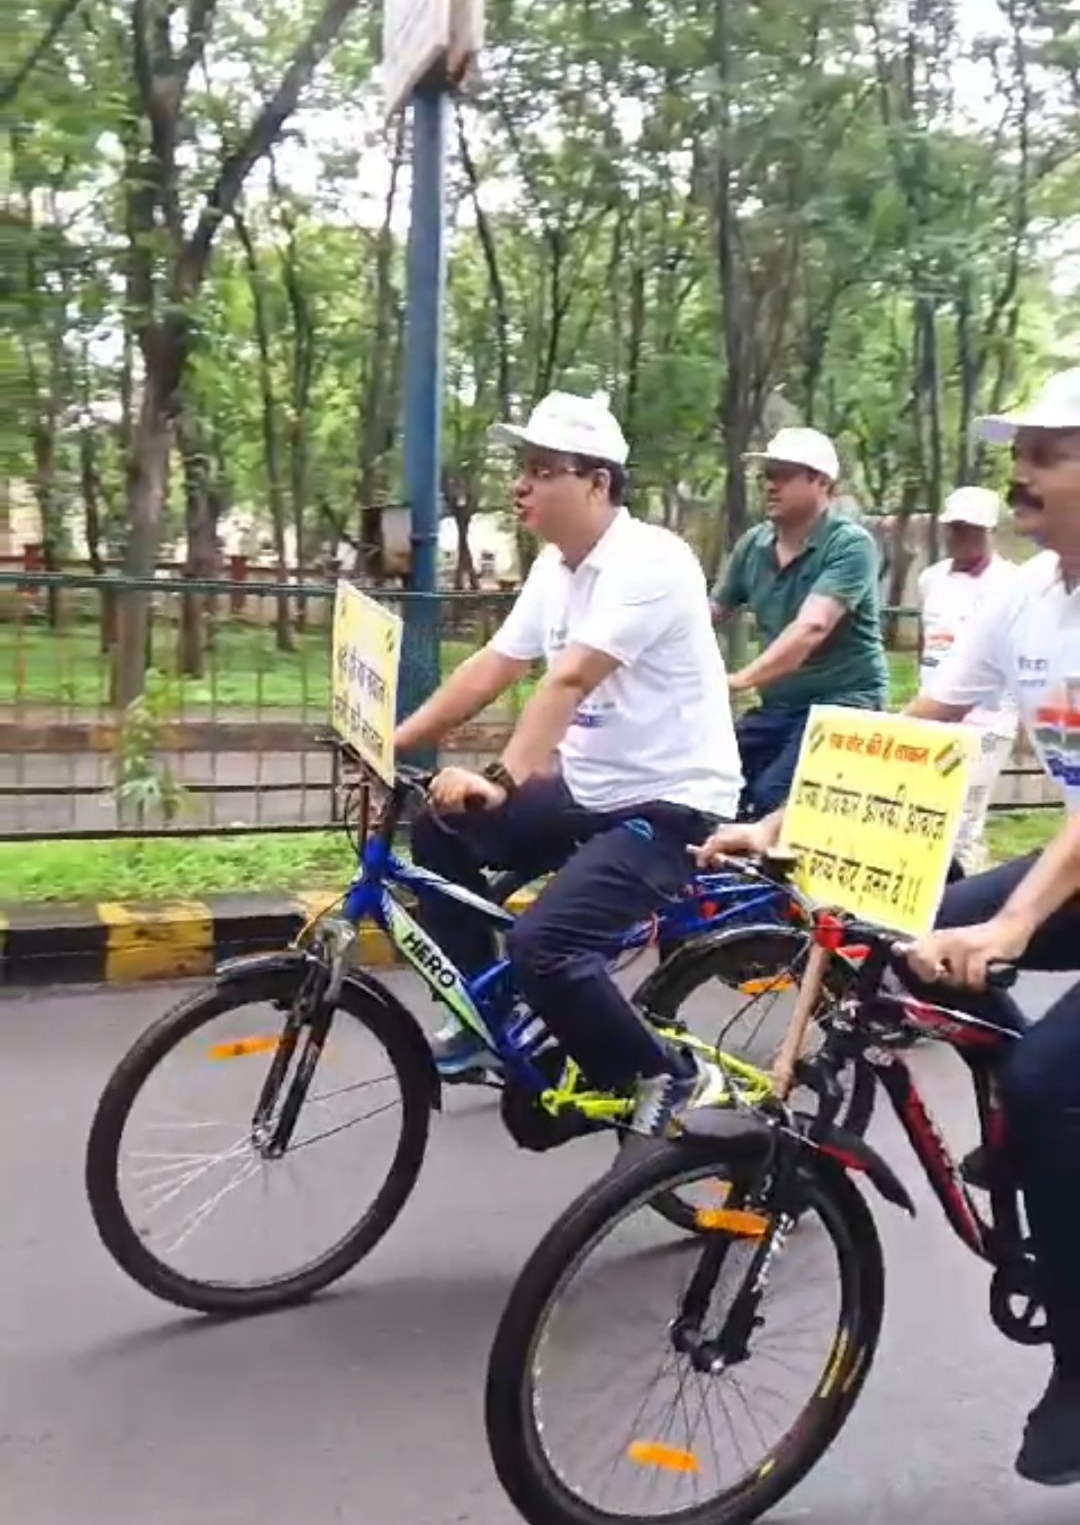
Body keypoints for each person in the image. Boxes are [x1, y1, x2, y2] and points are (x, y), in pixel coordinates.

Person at [696, 368, 1080, 1485]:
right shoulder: (1029, 595)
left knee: (1051, 1079)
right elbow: (922, 723)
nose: (1020, 475)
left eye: (1048, 453)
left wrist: (1012, 925)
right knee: (910, 938)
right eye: (1020, 452)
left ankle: (1079, 1363)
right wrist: (782, 823)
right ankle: (1035, 1139)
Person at [394, 389, 743, 1126]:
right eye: (521, 469)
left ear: (597, 482)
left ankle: (669, 1076)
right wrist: (387, 740)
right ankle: (490, 1016)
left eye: (542, 470)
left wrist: (500, 779)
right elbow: (493, 666)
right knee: (437, 828)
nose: (521, 485)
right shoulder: (556, 569)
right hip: (589, 788)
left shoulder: (652, 561)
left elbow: (570, 677)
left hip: (671, 803)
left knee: (544, 945)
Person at [712, 427, 888, 819]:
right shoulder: (753, 545)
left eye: (784, 475)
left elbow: (811, 627)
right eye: (767, 475)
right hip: (780, 707)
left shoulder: (849, 544)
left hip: (845, 705)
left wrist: (739, 680)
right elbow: (709, 614)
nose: (770, 485)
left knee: (773, 796)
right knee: (716, 778)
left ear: (822, 482)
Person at [918, 486, 1018, 871]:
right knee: (930, 811)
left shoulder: (1012, 583)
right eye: (956, 527)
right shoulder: (931, 579)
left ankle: (970, 885)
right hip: (935, 711)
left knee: (964, 819)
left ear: (990, 531)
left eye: (972, 529)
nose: (962, 536)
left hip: (987, 719)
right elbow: (926, 641)